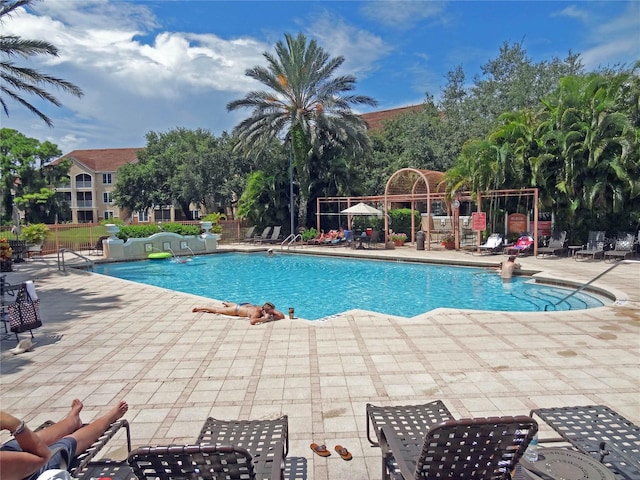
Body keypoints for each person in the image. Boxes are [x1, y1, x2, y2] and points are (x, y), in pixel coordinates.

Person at [0, 399, 128, 480]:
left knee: (33, 439)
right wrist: (13, 424)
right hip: (33, 472)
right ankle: (109, 418)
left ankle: (71, 421)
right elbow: (42, 457)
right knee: (67, 443)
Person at [193, 301, 285, 325]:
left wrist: (273, 312)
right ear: (265, 311)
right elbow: (252, 321)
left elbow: (282, 316)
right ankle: (201, 308)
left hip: (245, 305)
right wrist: (264, 319)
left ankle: (227, 303)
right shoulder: (257, 312)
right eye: (271, 312)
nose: (273, 313)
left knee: (234, 305)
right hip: (236, 310)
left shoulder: (265, 308)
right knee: (217, 310)